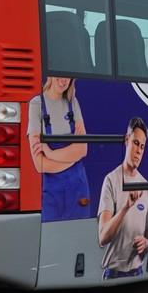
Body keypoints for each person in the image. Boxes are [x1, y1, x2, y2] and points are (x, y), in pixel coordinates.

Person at [97, 117, 148, 280]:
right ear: (127, 140)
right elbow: (103, 237)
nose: (139, 151)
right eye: (136, 143)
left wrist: (146, 243)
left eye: (142, 146)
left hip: (137, 271)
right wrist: (126, 207)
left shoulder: (145, 185)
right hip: (112, 273)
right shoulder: (111, 180)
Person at [27, 76, 90, 222]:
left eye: (67, 78)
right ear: (50, 75)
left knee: (78, 233)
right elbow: (40, 164)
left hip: (78, 188)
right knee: (52, 234)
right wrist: (72, 157)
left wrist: (50, 153)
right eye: (59, 76)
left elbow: (83, 149)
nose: (64, 81)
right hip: (52, 194)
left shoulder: (72, 102)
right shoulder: (36, 105)